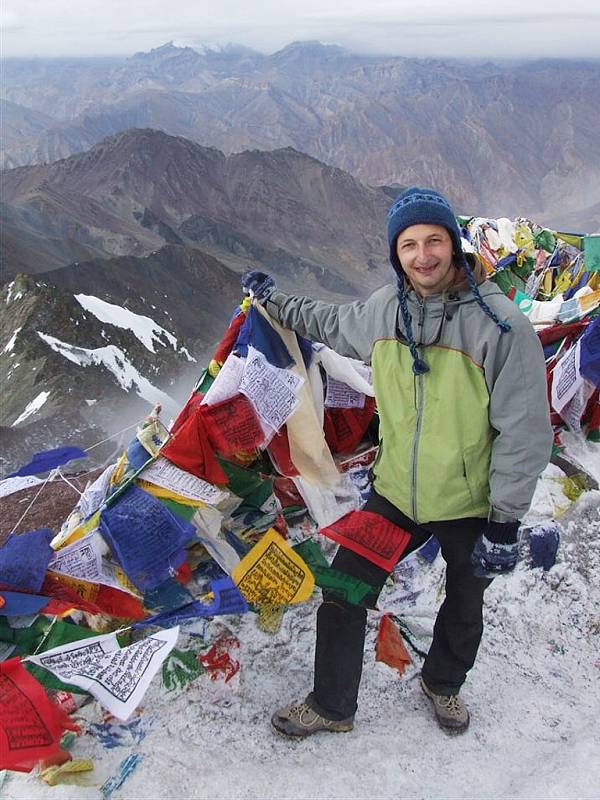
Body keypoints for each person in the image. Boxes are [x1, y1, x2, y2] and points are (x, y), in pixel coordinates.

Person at [242, 186, 553, 736]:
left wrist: (504, 520)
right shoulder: (386, 311)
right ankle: (333, 705)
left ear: (453, 246)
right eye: (409, 245)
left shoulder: (500, 327)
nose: (423, 255)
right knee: (345, 590)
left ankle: (443, 684)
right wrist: (274, 302)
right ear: (396, 254)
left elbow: (524, 431)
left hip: (469, 500)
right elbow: (329, 321)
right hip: (395, 496)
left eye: (434, 240)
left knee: (464, 598)